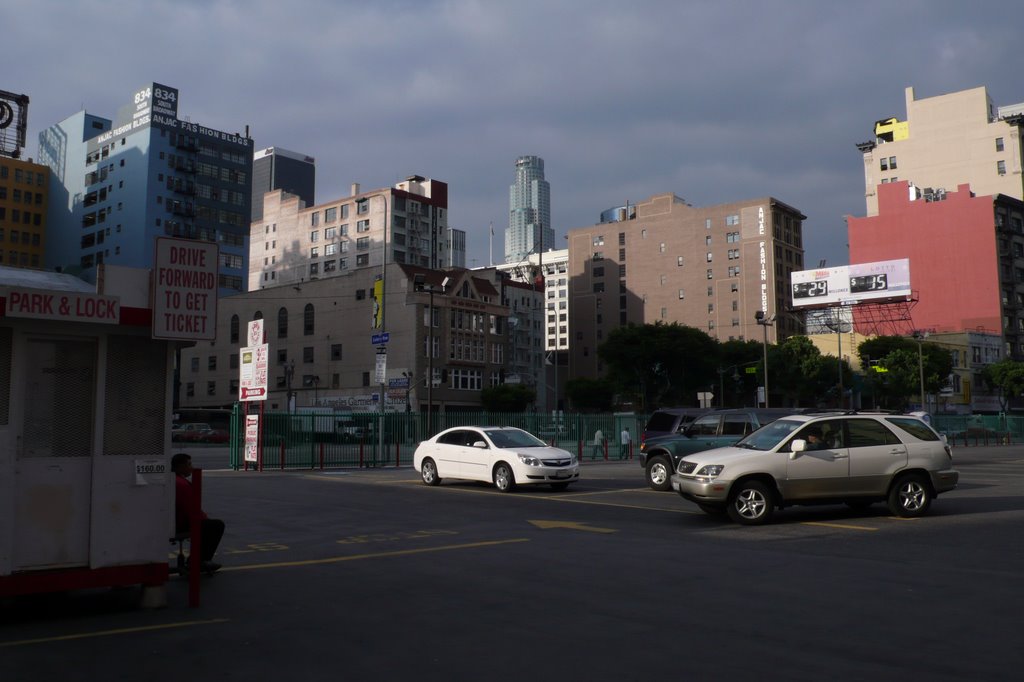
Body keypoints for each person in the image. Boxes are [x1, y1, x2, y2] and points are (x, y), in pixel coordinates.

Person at [172, 452, 225, 573]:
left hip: (176, 519)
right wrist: (204, 519)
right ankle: (200, 560)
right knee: (216, 525)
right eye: (189, 464)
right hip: (181, 522)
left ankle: (197, 559)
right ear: (180, 467)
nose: (191, 467)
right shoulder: (181, 484)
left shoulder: (175, 480)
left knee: (209, 525)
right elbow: (191, 508)